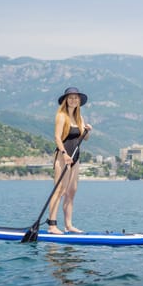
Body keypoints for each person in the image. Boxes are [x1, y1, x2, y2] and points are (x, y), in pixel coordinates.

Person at [47, 87, 92, 234]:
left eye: (76, 97)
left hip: (76, 157)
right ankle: (52, 226)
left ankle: (68, 225)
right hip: (63, 156)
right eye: (71, 97)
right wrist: (64, 154)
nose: (74, 100)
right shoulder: (61, 116)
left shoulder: (79, 118)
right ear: (66, 100)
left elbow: (84, 138)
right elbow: (57, 138)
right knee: (60, 190)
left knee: (71, 191)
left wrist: (87, 131)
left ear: (79, 101)